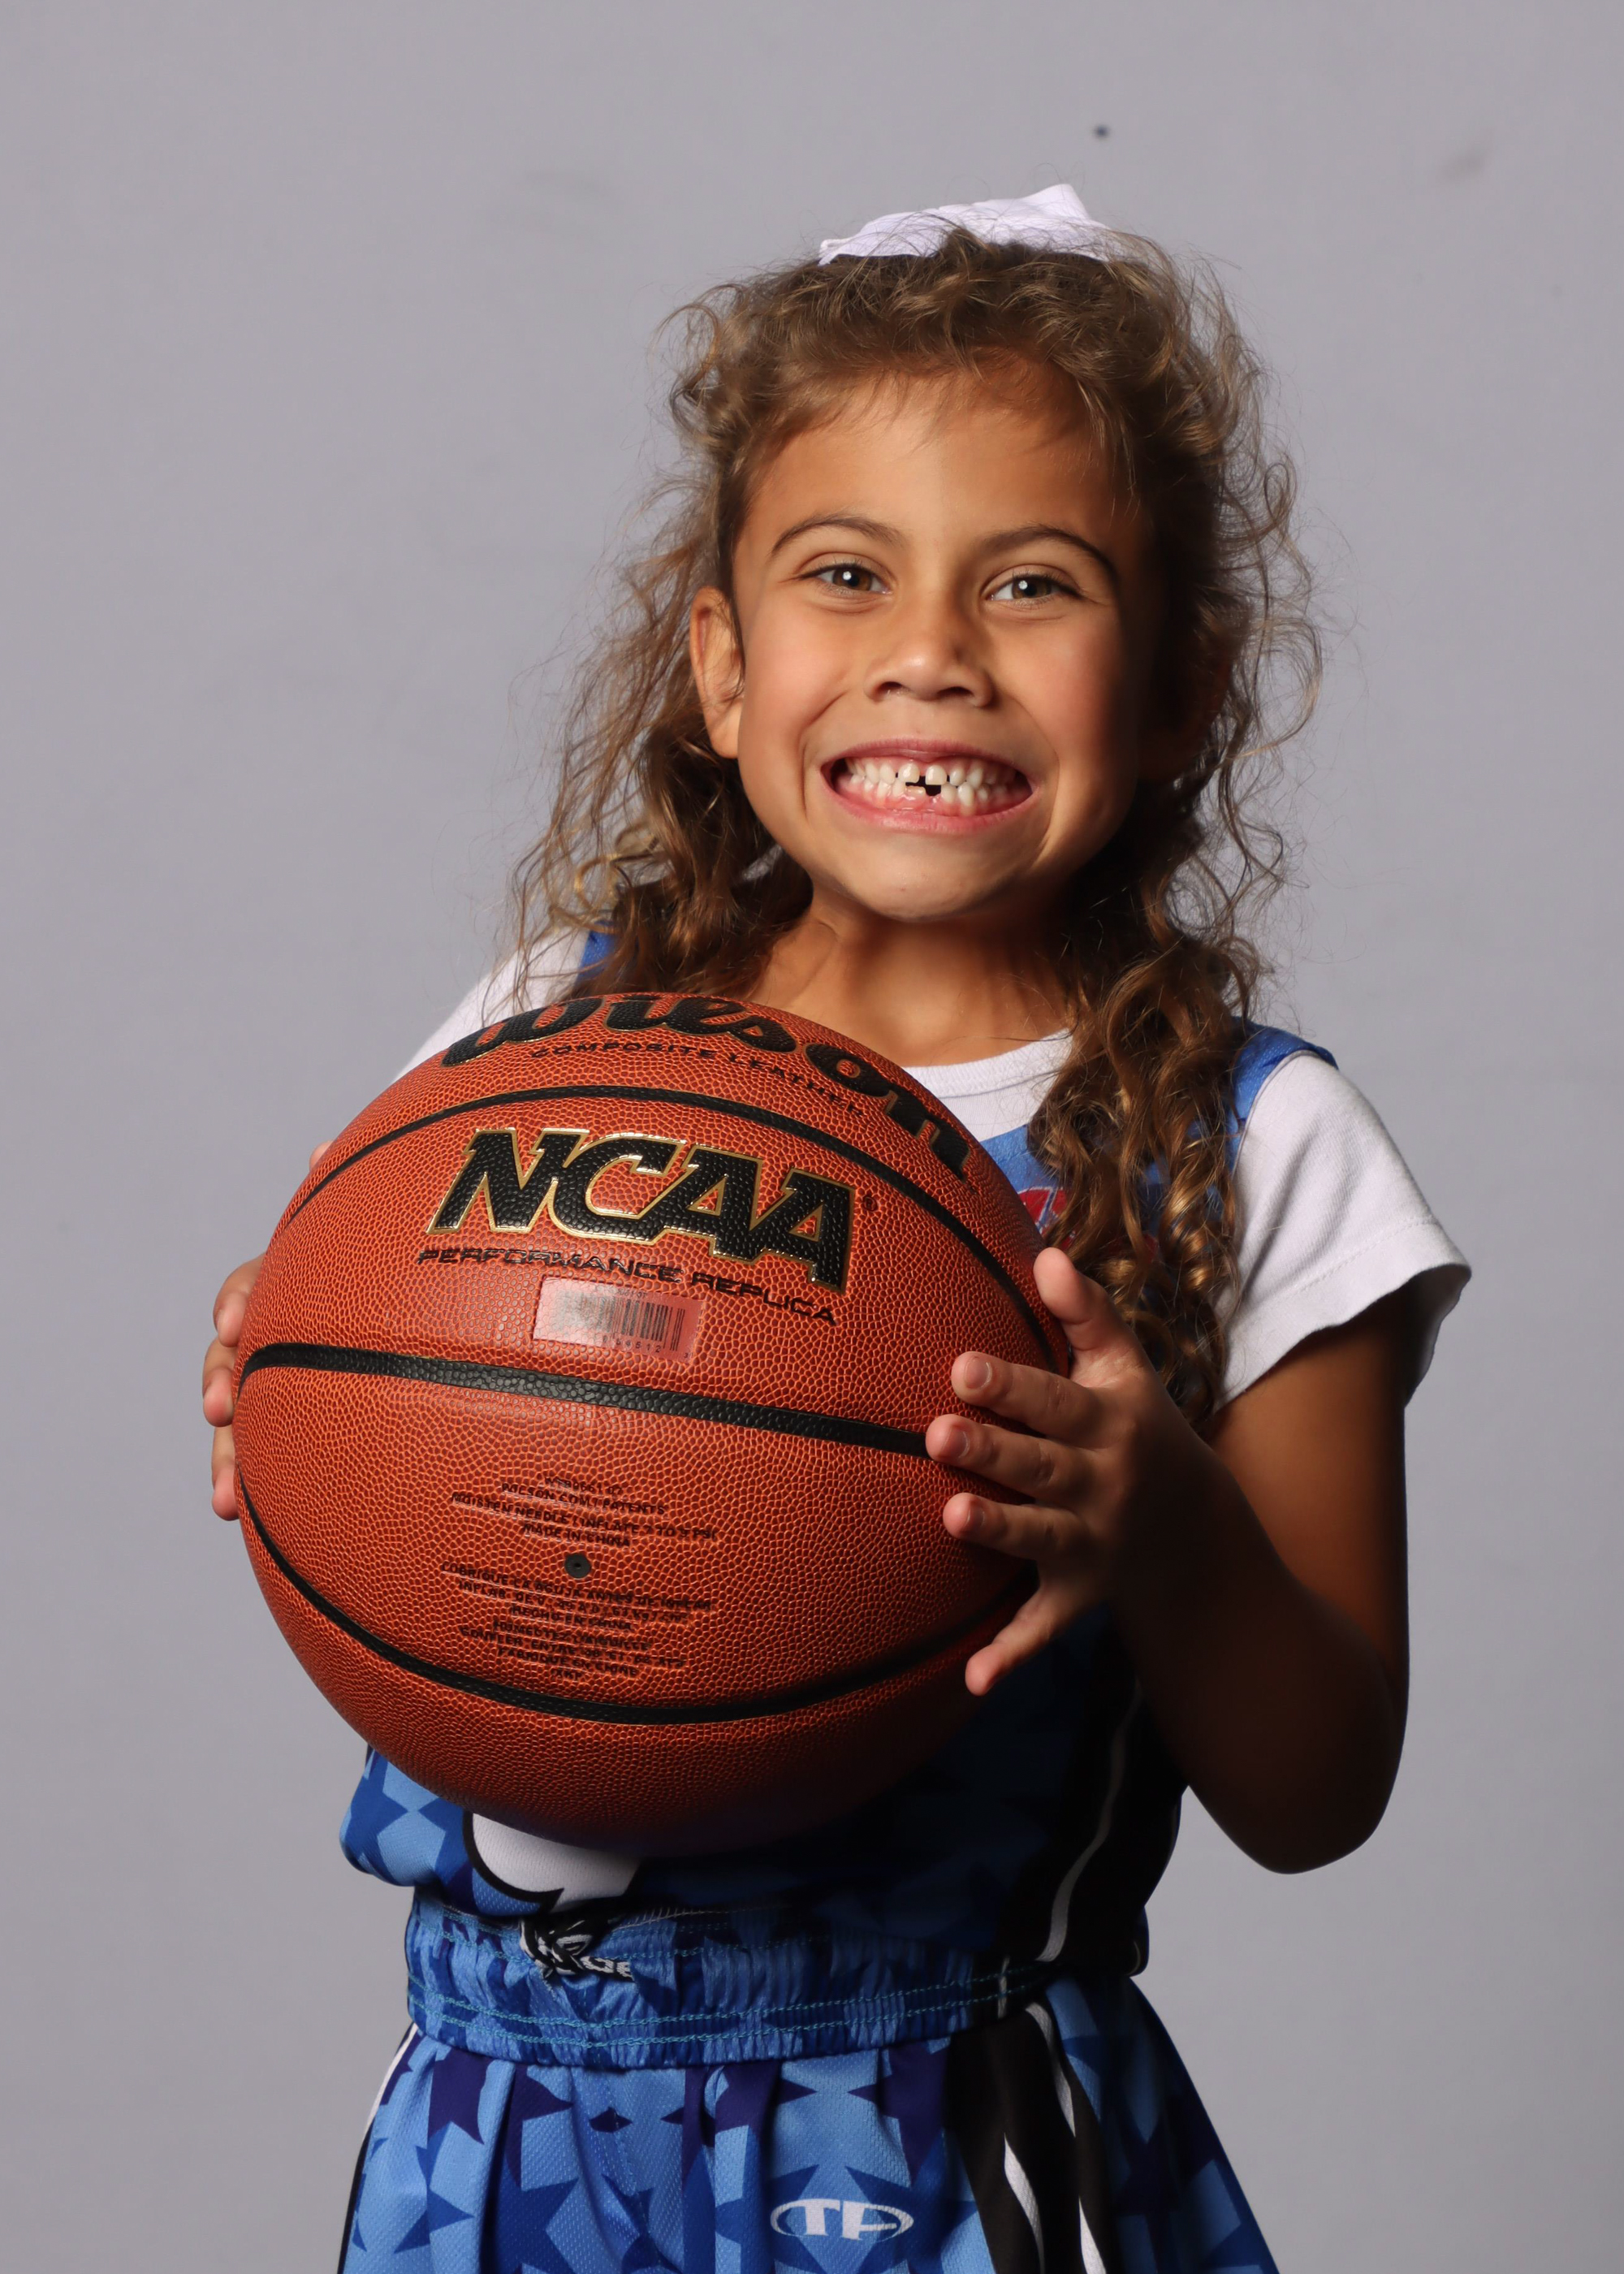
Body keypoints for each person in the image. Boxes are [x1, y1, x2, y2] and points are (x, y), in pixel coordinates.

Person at [201, 187, 1467, 2272]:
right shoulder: (544, 1036)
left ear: (1177, 689)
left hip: (938, 2121)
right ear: (720, 664)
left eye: (1033, 583)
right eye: (846, 571)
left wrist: (1161, 1517)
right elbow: (381, 1399)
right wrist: (306, 1363)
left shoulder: (1249, 1146)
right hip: (494, 2122)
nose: (931, 651)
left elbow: (1319, 1785)